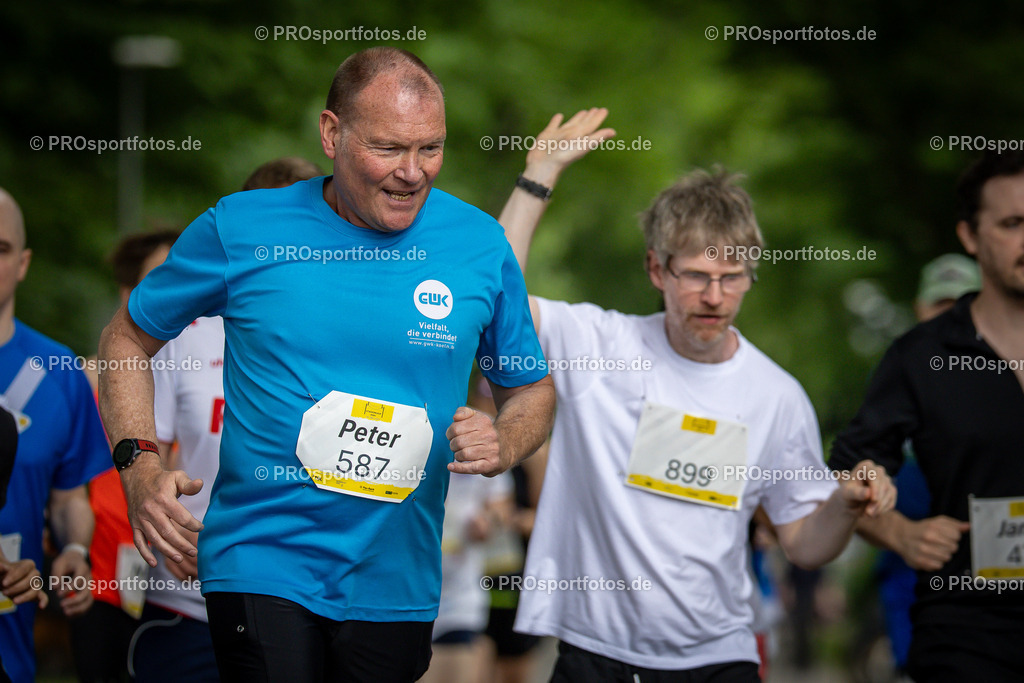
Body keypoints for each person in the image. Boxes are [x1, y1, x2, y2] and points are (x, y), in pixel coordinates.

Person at [98, 47, 554, 683]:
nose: (414, 173)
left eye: (431, 149)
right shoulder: (243, 229)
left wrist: (506, 438)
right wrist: (139, 465)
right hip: (261, 560)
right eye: (390, 149)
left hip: (396, 577)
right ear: (332, 133)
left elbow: (530, 388)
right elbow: (124, 341)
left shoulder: (478, 244)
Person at [498, 109, 894, 681]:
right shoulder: (597, 343)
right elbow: (497, 297)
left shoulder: (776, 395)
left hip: (717, 658)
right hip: (595, 654)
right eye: (695, 276)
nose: (714, 297)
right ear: (656, 269)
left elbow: (805, 545)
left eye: (732, 278)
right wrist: (538, 177)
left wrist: (845, 506)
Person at [128, 158, 323, 683]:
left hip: (305, 593)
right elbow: (155, 453)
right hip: (191, 598)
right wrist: (167, 535)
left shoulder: (341, 336)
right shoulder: (185, 333)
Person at [831, 151, 1024, 681]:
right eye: (1013, 224)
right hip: (970, 638)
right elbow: (851, 470)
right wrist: (899, 534)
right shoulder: (922, 356)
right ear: (970, 235)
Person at [0, 187, 111, 683]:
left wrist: (73, 551)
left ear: (23, 264)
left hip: (13, 642)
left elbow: (69, 499)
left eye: (0, 249)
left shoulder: (58, 370)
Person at [70, 229, 179, 683]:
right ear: (128, 292)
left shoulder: (213, 374)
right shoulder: (86, 379)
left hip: (172, 574)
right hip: (104, 573)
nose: (181, 292)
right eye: (163, 278)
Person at [872, 253, 980, 676]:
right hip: (911, 570)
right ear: (919, 309)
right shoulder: (895, 377)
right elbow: (853, 476)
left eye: (962, 302)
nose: (949, 315)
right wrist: (899, 532)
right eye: (939, 303)